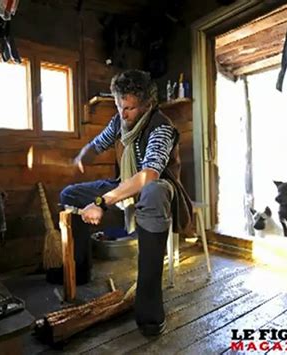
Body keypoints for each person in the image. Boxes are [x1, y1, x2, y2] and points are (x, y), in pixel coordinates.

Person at [59, 69, 192, 336]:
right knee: (69, 194)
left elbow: (148, 176)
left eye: (129, 108)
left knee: (153, 192)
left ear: (146, 105)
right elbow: (99, 143)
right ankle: (81, 272)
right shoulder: (121, 120)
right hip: (125, 184)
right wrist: (82, 156)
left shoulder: (161, 128)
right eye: (119, 106)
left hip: (159, 188)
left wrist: (101, 202)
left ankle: (150, 314)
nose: (123, 113)